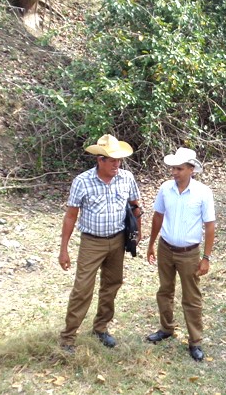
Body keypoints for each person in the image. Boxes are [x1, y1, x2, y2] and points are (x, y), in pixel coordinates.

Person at [59, 134, 143, 353]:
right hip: (91, 243)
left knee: (112, 285)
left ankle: (101, 328)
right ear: (100, 160)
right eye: (112, 160)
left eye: (119, 159)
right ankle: (68, 337)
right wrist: (64, 249)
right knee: (82, 289)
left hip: (117, 240)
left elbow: (135, 205)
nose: (117, 164)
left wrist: (138, 231)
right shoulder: (82, 181)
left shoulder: (126, 178)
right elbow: (70, 216)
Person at [146, 147, 216, 361]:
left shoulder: (203, 192)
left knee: (191, 297)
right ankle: (166, 328)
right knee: (165, 290)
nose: (174, 172)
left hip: (189, 253)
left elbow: (210, 226)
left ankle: (195, 341)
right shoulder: (166, 188)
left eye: (179, 168)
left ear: (191, 169)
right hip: (166, 248)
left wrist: (206, 257)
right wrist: (151, 244)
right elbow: (158, 216)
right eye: (173, 168)